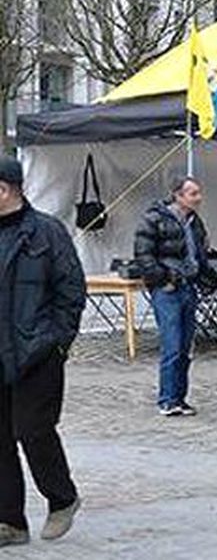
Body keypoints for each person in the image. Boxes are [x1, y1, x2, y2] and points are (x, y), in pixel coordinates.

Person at [0, 156, 84, 546]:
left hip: (36, 353)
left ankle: (61, 498)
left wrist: (57, 343)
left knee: (33, 431)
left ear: (4, 190)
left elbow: (71, 292)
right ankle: (10, 522)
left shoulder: (46, 233)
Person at [134, 176, 217, 416]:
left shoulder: (194, 222)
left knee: (185, 346)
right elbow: (143, 255)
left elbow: (199, 253)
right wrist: (164, 279)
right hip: (168, 290)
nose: (198, 198)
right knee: (172, 344)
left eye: (198, 192)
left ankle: (179, 398)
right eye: (193, 193)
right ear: (178, 196)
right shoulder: (154, 219)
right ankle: (168, 399)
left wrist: (206, 275)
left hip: (189, 288)